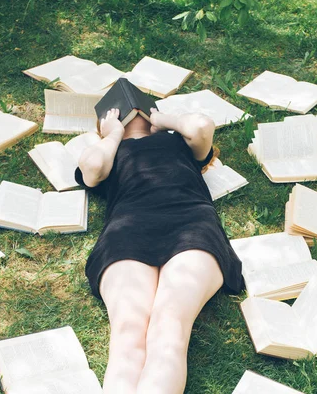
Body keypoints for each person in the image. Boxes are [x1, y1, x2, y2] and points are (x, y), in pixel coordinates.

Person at [75, 108, 244, 394]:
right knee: (128, 333)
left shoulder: (180, 143)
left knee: (170, 327)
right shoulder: (109, 152)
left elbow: (202, 126)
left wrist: (165, 121)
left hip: (191, 223)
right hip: (127, 229)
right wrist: (113, 135)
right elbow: (91, 167)